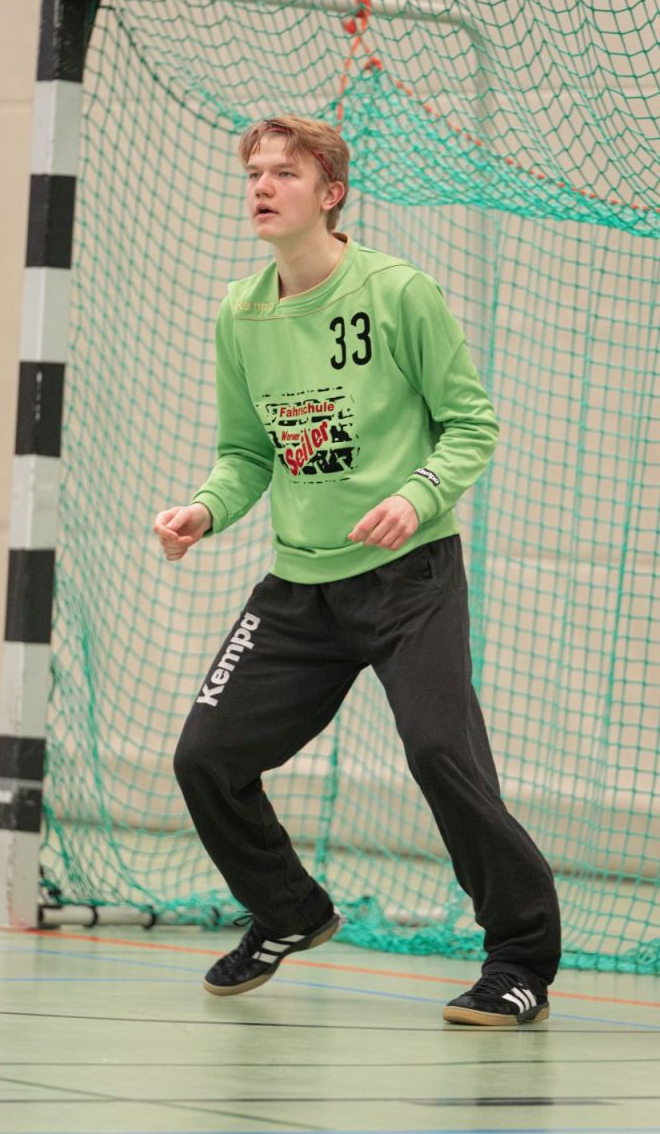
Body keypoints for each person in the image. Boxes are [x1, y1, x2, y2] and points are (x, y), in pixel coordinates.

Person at [153, 115, 561, 1026]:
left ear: (330, 193)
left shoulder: (398, 292)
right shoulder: (241, 312)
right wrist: (204, 510)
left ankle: (520, 960)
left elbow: (471, 423)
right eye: (254, 174)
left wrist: (418, 496)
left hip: (409, 577)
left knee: (441, 753)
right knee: (205, 759)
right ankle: (289, 911)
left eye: (284, 174)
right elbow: (246, 453)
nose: (262, 188)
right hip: (300, 589)